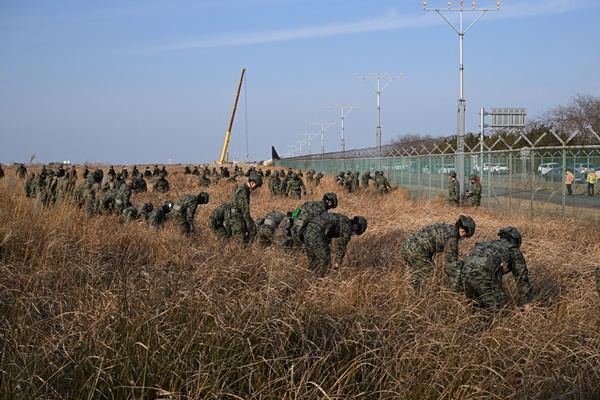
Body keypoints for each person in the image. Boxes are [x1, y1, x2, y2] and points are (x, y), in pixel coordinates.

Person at [449, 227, 532, 312]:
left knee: (477, 309)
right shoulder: (513, 250)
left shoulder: (484, 244)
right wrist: (526, 303)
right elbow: (522, 278)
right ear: (516, 240)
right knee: (500, 310)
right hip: (484, 278)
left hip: (464, 277)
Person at [401, 215, 476, 291]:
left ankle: (416, 294)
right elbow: (451, 263)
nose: (463, 238)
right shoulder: (452, 237)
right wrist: (455, 287)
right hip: (417, 252)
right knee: (429, 279)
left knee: (417, 277)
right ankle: (425, 299)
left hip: (405, 248)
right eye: (465, 236)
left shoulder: (446, 228)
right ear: (463, 231)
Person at [303, 214, 367, 277]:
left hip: (307, 232)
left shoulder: (341, 219)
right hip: (317, 234)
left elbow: (327, 229)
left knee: (313, 261)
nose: (353, 234)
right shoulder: (347, 226)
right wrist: (337, 263)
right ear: (356, 226)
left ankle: (309, 281)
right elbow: (342, 245)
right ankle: (320, 282)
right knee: (325, 262)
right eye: (356, 232)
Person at [230, 173, 262, 243]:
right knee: (241, 238)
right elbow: (245, 209)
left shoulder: (245, 189)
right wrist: (249, 222)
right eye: (256, 186)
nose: (256, 188)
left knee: (252, 231)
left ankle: (246, 246)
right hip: (237, 216)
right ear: (252, 183)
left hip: (240, 215)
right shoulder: (243, 190)